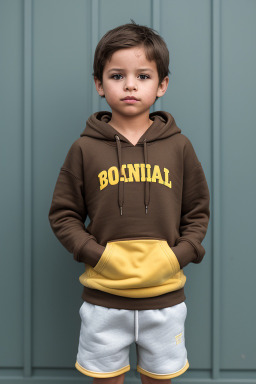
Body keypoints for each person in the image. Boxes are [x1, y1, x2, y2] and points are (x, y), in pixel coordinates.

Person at [48, 20, 210, 384]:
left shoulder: (179, 147)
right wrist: (98, 256)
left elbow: (197, 210)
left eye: (144, 75)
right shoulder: (85, 148)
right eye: (117, 75)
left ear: (162, 85)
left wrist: (178, 255)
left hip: (164, 298)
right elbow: (63, 215)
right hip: (104, 298)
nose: (131, 85)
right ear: (99, 85)